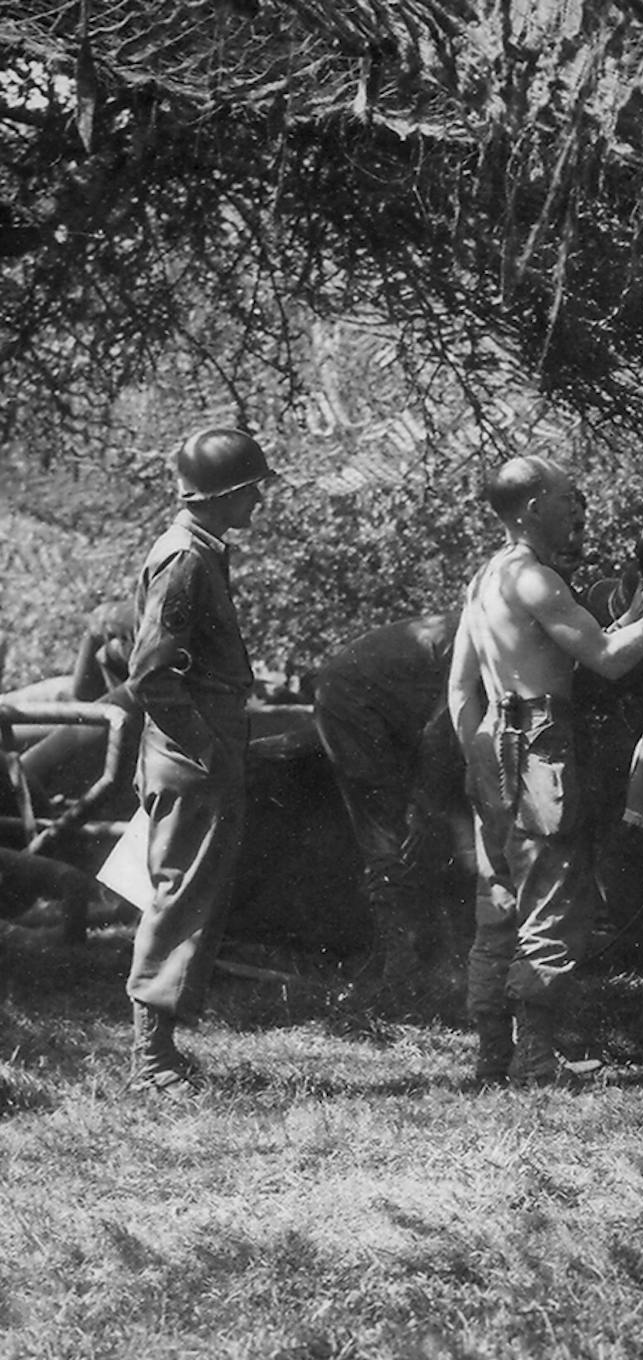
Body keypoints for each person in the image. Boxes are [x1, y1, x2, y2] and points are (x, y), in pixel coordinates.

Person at [447, 455, 643, 1086]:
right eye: (568, 498)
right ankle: (537, 1062)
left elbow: (463, 688)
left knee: (498, 905)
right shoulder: (538, 581)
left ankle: (494, 1055)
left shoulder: (485, 580)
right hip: (539, 746)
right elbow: (609, 661)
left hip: (494, 739)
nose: (578, 509)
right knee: (552, 898)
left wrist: (480, 762)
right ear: (531, 507)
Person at [122, 426, 278, 1097]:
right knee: (180, 894)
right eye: (251, 490)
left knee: (187, 890)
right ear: (223, 493)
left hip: (196, 739)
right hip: (192, 744)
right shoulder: (186, 557)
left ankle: (160, 1053)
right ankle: (149, 1061)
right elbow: (151, 675)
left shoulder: (198, 549)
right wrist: (205, 747)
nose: (258, 503)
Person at [312, 613, 469, 1003]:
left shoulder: (489, 625)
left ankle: (427, 954)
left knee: (422, 827)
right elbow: (440, 733)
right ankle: (399, 971)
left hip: (390, 710)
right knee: (385, 830)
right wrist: (423, 802)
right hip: (352, 703)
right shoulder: (485, 635)